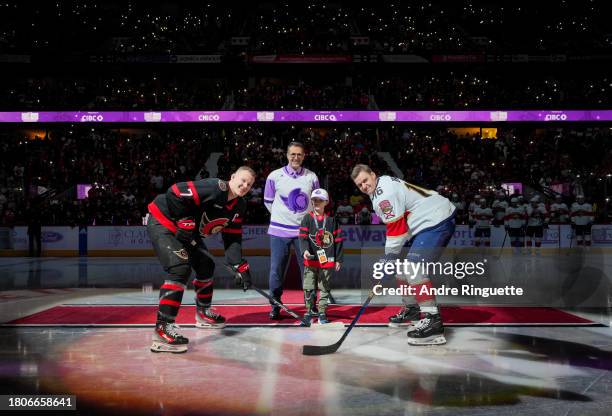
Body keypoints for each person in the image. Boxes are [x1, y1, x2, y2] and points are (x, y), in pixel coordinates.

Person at [147, 166, 256, 353]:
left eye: (249, 184)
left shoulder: (239, 206)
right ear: (232, 177)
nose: (245, 185)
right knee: (180, 268)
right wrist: (183, 219)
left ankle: (203, 313)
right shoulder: (216, 188)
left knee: (206, 264)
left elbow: (232, 238)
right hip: (164, 221)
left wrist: (238, 264)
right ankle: (162, 328)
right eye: (242, 180)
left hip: (186, 231)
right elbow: (174, 192)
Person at [351, 164, 456, 346]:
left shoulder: (384, 195)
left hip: (436, 219)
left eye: (365, 180)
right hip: (426, 221)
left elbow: (396, 230)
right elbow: (401, 224)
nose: (364, 186)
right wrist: (390, 257)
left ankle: (433, 321)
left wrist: (389, 256)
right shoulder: (381, 188)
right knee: (402, 270)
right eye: (360, 185)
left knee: (413, 268)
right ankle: (412, 309)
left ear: (373, 175)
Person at [264, 142, 319, 320]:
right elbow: (268, 201)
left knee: (308, 270)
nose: (296, 157)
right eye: (292, 154)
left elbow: (317, 202)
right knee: (276, 271)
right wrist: (283, 218)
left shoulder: (312, 177)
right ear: (287, 155)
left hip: (303, 233)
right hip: (279, 231)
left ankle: (311, 306)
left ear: (304, 156)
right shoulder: (274, 176)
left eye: (299, 155)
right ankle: (275, 306)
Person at [298, 188, 344, 325]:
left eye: (320, 200)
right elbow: (303, 238)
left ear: (326, 202)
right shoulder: (307, 218)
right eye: (314, 200)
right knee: (308, 287)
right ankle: (308, 312)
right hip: (311, 260)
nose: (317, 202)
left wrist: (338, 259)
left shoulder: (332, 220)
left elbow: (338, 241)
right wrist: (305, 251)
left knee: (324, 288)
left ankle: (322, 312)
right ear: (311, 202)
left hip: (327, 261)